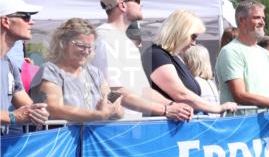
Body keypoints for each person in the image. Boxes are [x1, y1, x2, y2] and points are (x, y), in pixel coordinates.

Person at [31, 18, 190, 123]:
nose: (86, 51)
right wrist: (98, 115)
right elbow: (53, 108)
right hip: (61, 152)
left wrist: (115, 110)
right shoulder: (50, 70)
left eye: (90, 47)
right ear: (63, 43)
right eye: (80, 45)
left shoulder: (94, 73)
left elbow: (115, 103)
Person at [93, 0, 190, 121]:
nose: (141, 4)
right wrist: (165, 110)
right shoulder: (104, 37)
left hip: (130, 126)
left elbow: (143, 90)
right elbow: (114, 91)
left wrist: (173, 105)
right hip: (111, 131)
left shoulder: (124, 41)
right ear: (122, 5)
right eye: (137, 0)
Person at [216, 0, 269, 119]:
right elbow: (239, 95)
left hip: (265, 126)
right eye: (257, 17)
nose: (262, 22)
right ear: (242, 20)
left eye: (263, 18)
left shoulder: (264, 53)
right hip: (240, 128)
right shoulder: (230, 51)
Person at [146, 10, 237, 115]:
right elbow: (180, 94)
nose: (194, 43)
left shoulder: (172, 57)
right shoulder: (156, 55)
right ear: (181, 32)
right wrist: (217, 108)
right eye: (193, 37)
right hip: (166, 127)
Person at [0, 0, 49, 131]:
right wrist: (12, 117)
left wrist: (39, 112)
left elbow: (27, 105)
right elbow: (16, 115)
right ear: (5, 21)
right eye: (26, 16)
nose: (31, 22)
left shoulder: (9, 64)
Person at [182, 44, 225, 113]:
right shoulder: (211, 82)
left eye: (185, 61)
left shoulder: (193, 83)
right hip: (214, 120)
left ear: (190, 62)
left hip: (201, 121)